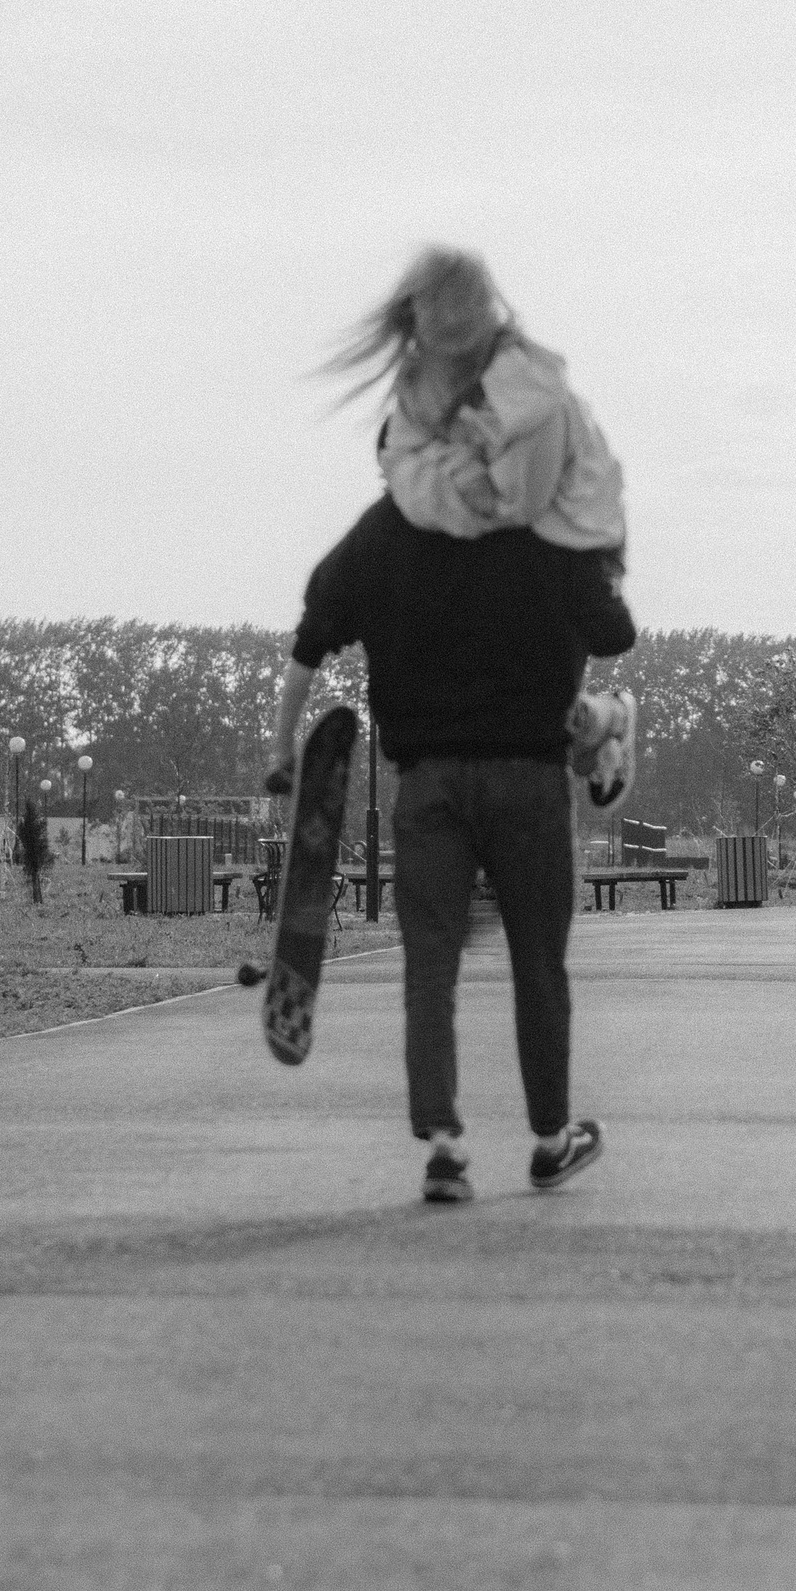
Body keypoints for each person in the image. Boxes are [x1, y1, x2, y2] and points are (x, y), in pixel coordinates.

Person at [266, 258, 638, 1206]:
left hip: (428, 786)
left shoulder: (383, 534)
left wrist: (281, 744)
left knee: (428, 966)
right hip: (528, 784)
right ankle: (550, 1138)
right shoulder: (548, 530)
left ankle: (444, 1149)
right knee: (537, 965)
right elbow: (614, 633)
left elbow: (311, 633)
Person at [341, 247, 637, 807]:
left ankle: (607, 718)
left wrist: (456, 478)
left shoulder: (526, 382)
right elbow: (414, 457)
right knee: (502, 672)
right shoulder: (428, 383)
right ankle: (595, 730)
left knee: (547, 663)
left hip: (575, 534)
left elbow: (516, 502)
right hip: (519, 530)